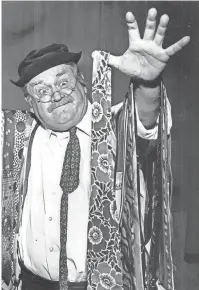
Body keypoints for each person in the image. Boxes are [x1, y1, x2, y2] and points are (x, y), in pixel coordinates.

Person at [2, 8, 190, 290]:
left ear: (83, 83)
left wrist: (147, 83)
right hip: (31, 283)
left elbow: (147, 121)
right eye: (41, 90)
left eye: (63, 82)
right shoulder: (17, 135)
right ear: (30, 104)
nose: (54, 95)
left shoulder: (116, 125)